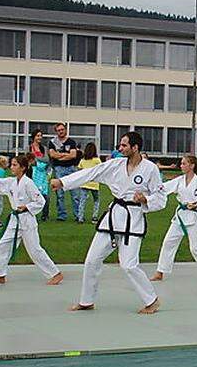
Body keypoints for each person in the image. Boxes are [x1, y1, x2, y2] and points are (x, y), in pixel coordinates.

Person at [53, 132, 165, 314]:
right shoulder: (116, 164)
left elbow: (161, 198)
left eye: (124, 145)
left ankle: (151, 300)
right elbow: (91, 173)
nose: (120, 148)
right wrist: (63, 182)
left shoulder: (150, 169)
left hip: (133, 219)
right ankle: (86, 300)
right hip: (113, 218)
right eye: (120, 145)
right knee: (91, 260)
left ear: (135, 148)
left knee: (128, 264)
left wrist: (145, 200)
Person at [0, 154, 63, 286]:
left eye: (15, 165)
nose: (12, 167)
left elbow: (40, 201)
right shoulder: (11, 182)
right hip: (15, 220)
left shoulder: (28, 183)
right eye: (12, 164)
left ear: (23, 168)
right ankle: (0, 275)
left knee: (34, 249)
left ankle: (55, 274)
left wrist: (27, 207)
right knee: (3, 245)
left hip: (27, 220)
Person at [152, 154, 197, 283]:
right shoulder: (179, 180)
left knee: (195, 248)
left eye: (184, 163)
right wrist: (153, 186)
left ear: (191, 166)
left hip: (194, 217)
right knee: (168, 242)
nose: (181, 165)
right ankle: (160, 271)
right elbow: (164, 188)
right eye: (181, 163)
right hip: (179, 217)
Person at [48, 123, 82, 221]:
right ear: (56, 131)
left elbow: (73, 155)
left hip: (71, 169)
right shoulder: (52, 142)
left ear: (65, 130)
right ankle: (61, 215)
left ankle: (78, 215)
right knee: (60, 194)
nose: (61, 131)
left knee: (75, 194)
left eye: (62, 129)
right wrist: (65, 155)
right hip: (58, 169)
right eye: (58, 130)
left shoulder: (71, 142)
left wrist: (60, 155)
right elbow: (53, 155)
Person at [75, 142, 101, 223]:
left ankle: (80, 217)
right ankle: (94, 217)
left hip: (84, 183)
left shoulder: (83, 160)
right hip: (94, 183)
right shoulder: (97, 160)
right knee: (96, 200)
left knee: (82, 201)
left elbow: (79, 170)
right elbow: (100, 169)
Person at [32, 155, 51, 221]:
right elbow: (48, 177)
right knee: (46, 202)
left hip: (34, 187)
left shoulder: (34, 167)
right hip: (44, 188)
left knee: (34, 202)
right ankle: (45, 216)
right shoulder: (48, 169)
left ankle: (34, 215)